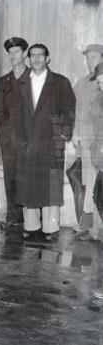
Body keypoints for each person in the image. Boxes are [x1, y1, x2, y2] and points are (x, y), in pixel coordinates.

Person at [15, 43, 76, 242]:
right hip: (27, 143)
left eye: (40, 55)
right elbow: (15, 115)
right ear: (28, 59)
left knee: (50, 184)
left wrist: (63, 136)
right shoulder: (21, 83)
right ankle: (31, 226)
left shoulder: (60, 82)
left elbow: (68, 110)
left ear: (47, 58)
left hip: (51, 142)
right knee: (29, 184)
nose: (37, 59)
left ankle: (51, 227)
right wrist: (18, 140)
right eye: (32, 55)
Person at [0, 37, 28, 227]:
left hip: (29, 140)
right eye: (10, 52)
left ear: (24, 53)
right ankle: (13, 217)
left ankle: (32, 220)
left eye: (16, 51)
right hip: (9, 141)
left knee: (29, 178)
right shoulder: (4, 81)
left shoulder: (33, 78)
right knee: (11, 178)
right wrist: (5, 136)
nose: (13, 55)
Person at [72, 44, 103, 236]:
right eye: (88, 58)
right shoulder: (82, 83)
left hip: (98, 139)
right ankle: (87, 221)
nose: (89, 61)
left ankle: (92, 222)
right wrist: (75, 133)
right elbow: (74, 110)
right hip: (86, 138)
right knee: (87, 179)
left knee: (96, 181)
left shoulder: (100, 83)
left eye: (94, 57)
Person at [79, 61, 103, 243]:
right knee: (98, 192)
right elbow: (90, 121)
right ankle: (97, 230)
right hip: (99, 155)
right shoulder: (98, 98)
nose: (101, 85)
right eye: (100, 82)